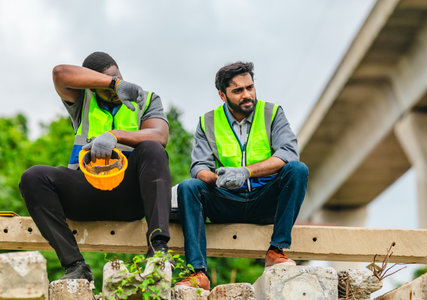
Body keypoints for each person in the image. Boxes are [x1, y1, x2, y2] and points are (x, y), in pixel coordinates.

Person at [19, 52, 172, 283]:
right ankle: (75, 265)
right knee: (33, 177)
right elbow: (59, 73)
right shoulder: (82, 99)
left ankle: (158, 250)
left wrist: (114, 135)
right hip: (86, 192)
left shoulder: (146, 99)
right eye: (108, 86)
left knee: (154, 150)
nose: (115, 92)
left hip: (130, 196)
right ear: (93, 85)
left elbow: (160, 135)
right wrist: (113, 83)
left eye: (118, 79)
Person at [175, 62, 308, 290]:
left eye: (250, 87)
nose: (247, 95)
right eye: (238, 90)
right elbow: (199, 167)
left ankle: (276, 252)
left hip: (265, 202)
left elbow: (288, 154)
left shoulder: (272, 113)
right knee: (188, 187)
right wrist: (219, 179)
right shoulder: (208, 121)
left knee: (298, 170)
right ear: (222, 94)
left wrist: (246, 172)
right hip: (227, 202)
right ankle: (198, 273)